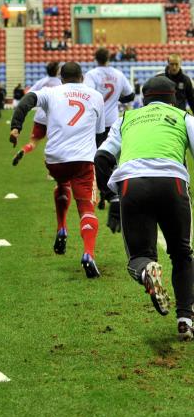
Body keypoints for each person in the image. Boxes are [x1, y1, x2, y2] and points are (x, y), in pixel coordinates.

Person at [95, 76, 194, 340]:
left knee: (139, 257)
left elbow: (101, 158)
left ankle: (146, 270)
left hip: (132, 185)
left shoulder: (126, 119)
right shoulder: (183, 117)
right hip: (173, 183)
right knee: (182, 254)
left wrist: (111, 197)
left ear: (143, 98)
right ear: (173, 99)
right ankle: (185, 320)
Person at [10, 62, 105, 278]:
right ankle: (88, 254)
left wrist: (16, 126)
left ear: (61, 78)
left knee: (62, 183)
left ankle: (61, 226)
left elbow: (27, 100)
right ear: (82, 77)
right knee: (86, 207)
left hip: (55, 160)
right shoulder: (95, 96)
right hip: (82, 161)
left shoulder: (50, 92)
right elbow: (100, 134)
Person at [84, 47, 134, 210]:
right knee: (112, 158)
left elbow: (88, 95)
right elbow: (130, 95)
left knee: (97, 158)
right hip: (113, 122)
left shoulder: (92, 75)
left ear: (95, 58)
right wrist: (116, 99)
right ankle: (114, 191)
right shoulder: (118, 74)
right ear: (109, 58)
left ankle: (103, 194)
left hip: (95, 123)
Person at [12, 61, 61, 166]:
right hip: (54, 118)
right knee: (54, 145)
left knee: (33, 143)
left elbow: (29, 94)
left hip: (40, 117)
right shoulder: (61, 83)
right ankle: (50, 168)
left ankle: (24, 150)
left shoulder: (42, 82)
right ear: (57, 71)